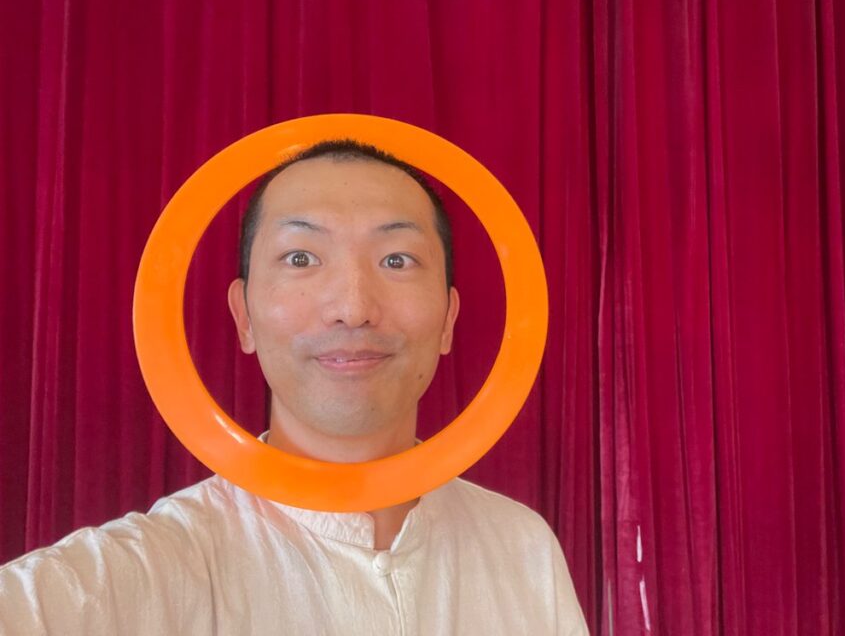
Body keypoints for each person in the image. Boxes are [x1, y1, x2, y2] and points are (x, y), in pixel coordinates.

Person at [0, 140, 588, 635]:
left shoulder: (524, 547)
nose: (352, 307)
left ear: (449, 320)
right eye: (301, 258)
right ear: (243, 318)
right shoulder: (139, 571)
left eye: (397, 260)